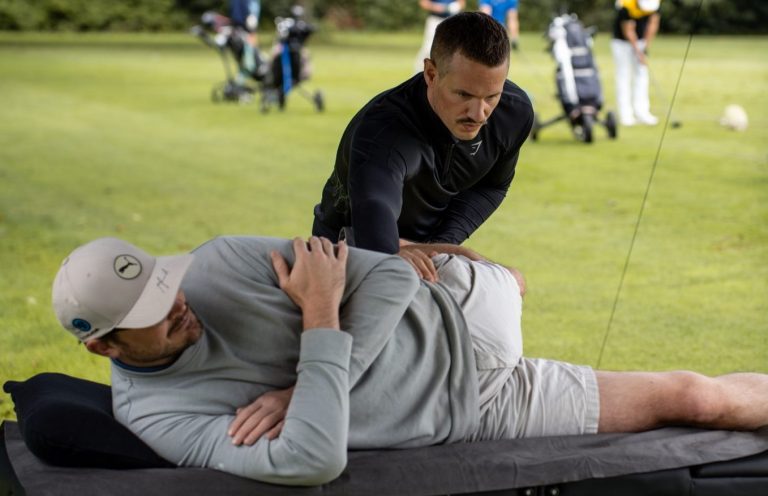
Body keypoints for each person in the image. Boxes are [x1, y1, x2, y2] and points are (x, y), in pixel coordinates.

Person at [53, 235, 768, 486]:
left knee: (485, 278)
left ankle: (502, 277)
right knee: (694, 398)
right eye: (153, 315)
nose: (179, 304)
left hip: (458, 314)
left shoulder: (219, 261)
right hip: (476, 412)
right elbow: (312, 460)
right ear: (102, 345)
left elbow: (392, 276)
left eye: (166, 285)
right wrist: (320, 315)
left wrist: (307, 385)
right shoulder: (158, 416)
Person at [313, 12, 533, 281]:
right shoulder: (384, 131)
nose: (479, 114)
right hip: (348, 248)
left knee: (511, 283)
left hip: (423, 243)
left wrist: (439, 246)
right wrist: (407, 250)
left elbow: (492, 186)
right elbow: (375, 210)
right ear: (431, 74)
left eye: (492, 96)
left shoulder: (513, 113)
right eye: (463, 94)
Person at [611, 0, 661, 126]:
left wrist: (645, 48)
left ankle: (642, 112)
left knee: (642, 75)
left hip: (641, 41)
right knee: (624, 76)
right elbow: (628, 31)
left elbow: (653, 24)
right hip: (621, 43)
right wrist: (639, 52)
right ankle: (626, 115)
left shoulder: (655, 3)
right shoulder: (626, 5)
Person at [413, 0, 465, 73]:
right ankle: (418, 73)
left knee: (454, 49)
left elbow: (462, 3)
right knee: (428, 48)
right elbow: (423, 3)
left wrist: (456, 6)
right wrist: (439, 8)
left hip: (452, 20)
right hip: (435, 20)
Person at [230, 0, 262, 82]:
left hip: (245, 30)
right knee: (246, 61)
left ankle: (241, 81)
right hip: (240, 31)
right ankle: (240, 81)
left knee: (249, 62)